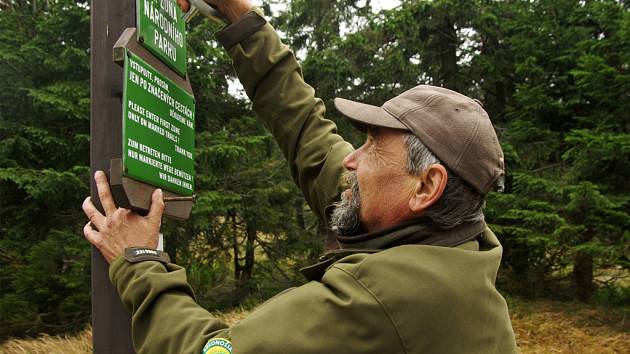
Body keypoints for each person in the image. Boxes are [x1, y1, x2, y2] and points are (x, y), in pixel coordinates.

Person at [82, 0, 518, 353]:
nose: (352, 160)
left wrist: (138, 261)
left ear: (426, 186)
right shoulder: (450, 240)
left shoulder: (386, 299)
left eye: (371, 148)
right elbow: (307, 130)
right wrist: (242, 19)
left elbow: (208, 351)